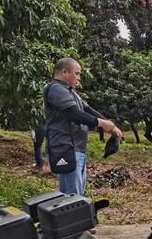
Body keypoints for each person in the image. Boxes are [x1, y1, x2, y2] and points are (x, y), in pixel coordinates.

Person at [44, 58, 122, 195]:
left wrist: (112, 127)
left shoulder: (71, 92)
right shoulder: (55, 89)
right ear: (65, 72)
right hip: (65, 149)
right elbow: (75, 114)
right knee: (71, 198)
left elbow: (88, 110)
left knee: (77, 195)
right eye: (77, 73)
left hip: (77, 150)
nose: (79, 77)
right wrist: (102, 123)